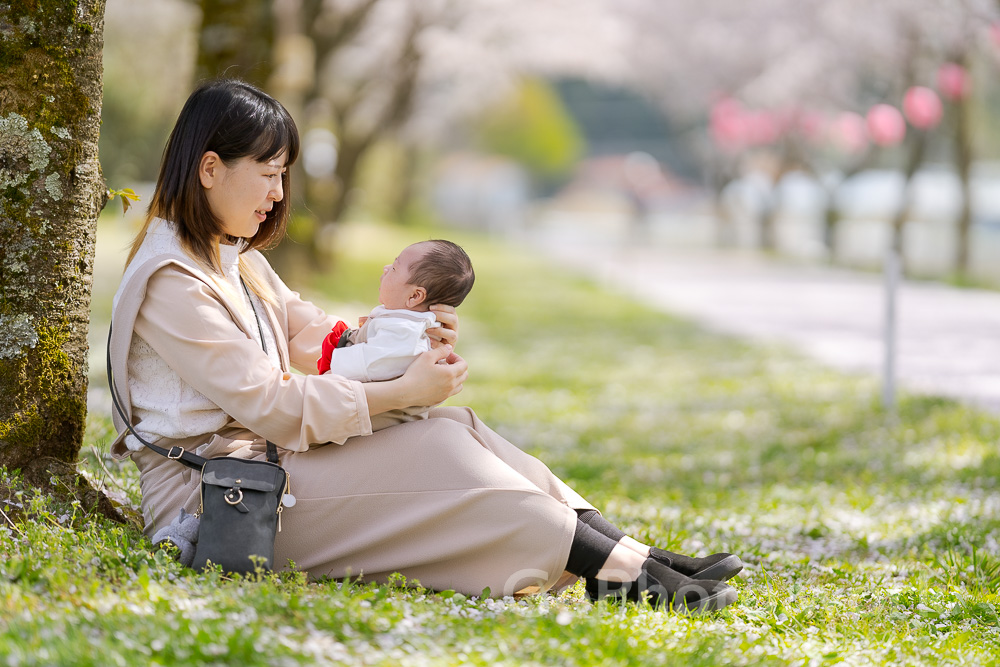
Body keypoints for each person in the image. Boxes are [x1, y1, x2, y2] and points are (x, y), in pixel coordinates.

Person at [107, 78, 743, 613]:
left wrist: (402, 339)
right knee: (444, 453)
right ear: (210, 167)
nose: (278, 194)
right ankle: (625, 574)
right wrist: (400, 392)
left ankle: (631, 558)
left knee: (455, 427)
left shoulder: (227, 255)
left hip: (263, 467)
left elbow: (309, 331)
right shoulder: (173, 282)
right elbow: (272, 405)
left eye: (283, 176)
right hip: (218, 497)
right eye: (268, 175)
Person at [317, 239, 475, 431]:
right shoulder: (404, 321)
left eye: (394, 268)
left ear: (414, 297)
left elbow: (372, 360)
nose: (385, 268)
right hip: (377, 406)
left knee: (460, 423)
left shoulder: (405, 331)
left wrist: (332, 373)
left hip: (381, 420)